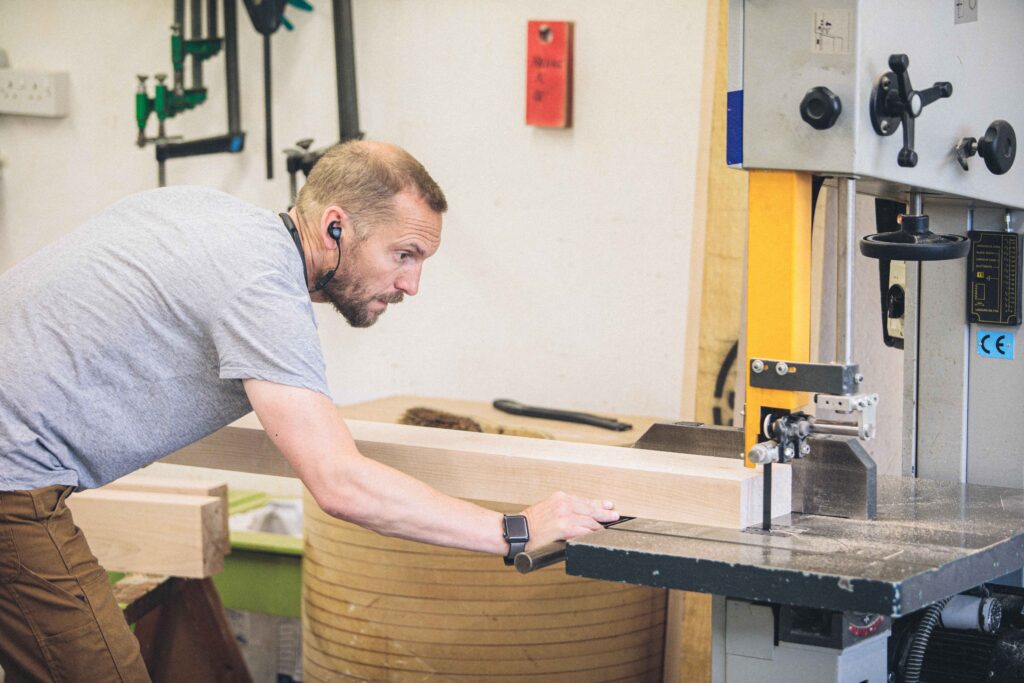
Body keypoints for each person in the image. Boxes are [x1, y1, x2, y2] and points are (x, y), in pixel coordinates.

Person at [0, 140, 619, 682]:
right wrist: (514, 530)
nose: (412, 285)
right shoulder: (262, 288)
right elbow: (341, 486)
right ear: (334, 228)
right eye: (404, 255)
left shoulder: (204, 213)